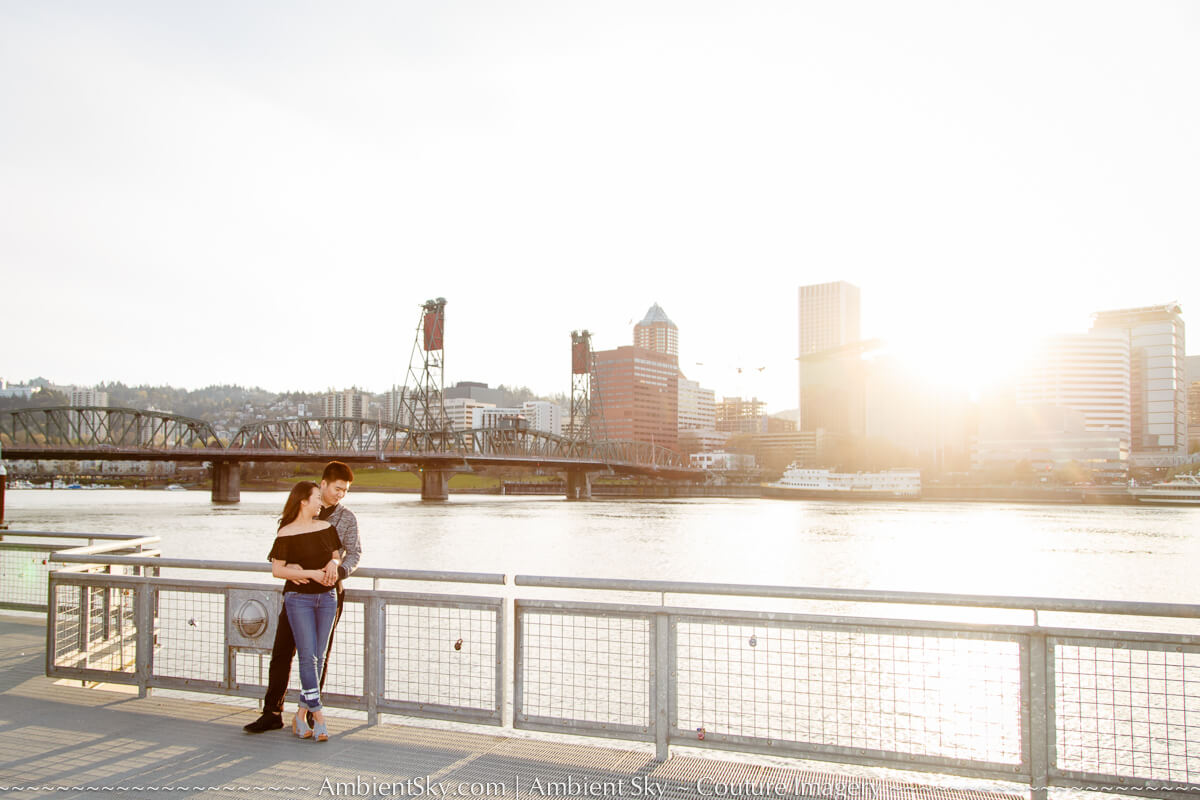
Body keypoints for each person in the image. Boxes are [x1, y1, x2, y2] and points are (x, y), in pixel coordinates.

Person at [244, 461, 361, 734]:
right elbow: (281, 550)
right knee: (282, 651)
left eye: (345, 491)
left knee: (319, 655)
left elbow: (354, 553)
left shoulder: (346, 518)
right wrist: (293, 568)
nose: (340, 495)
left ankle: (308, 713)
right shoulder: (304, 504)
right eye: (337, 489)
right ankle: (272, 712)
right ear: (323, 483)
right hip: (297, 594)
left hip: (328, 592)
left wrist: (339, 568)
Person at [267, 480, 341, 740]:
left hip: (327, 598)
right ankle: (318, 715)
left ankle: (300, 716)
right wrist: (310, 573)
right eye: (317, 498)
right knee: (307, 656)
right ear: (303, 501)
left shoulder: (327, 527)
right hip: (299, 600)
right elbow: (277, 569)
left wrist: (333, 562)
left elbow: (336, 555)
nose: (321, 503)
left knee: (318, 658)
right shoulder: (286, 532)